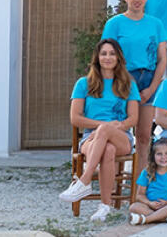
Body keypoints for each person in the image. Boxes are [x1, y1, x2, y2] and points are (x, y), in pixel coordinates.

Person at [59, 38, 140, 220]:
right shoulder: (83, 83)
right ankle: (104, 207)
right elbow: (75, 118)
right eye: (104, 53)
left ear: (118, 58)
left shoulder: (129, 84)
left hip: (122, 137)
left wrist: (115, 126)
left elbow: (133, 118)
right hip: (90, 138)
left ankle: (85, 180)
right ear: (97, 57)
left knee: (108, 136)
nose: (108, 57)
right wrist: (102, 127)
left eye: (112, 53)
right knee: (107, 149)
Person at [100, 0, 166, 167]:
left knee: (144, 135)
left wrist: (152, 87)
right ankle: (116, 184)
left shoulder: (156, 24)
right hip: (123, 81)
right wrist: (126, 86)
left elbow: (162, 59)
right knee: (120, 133)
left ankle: (139, 187)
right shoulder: (115, 24)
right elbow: (107, 56)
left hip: (149, 81)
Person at [127, 138, 167, 225]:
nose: (163, 157)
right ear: (153, 156)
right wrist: (149, 203)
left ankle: (146, 219)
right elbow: (139, 195)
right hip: (150, 207)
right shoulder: (147, 172)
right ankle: (165, 218)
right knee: (133, 207)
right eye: (159, 154)